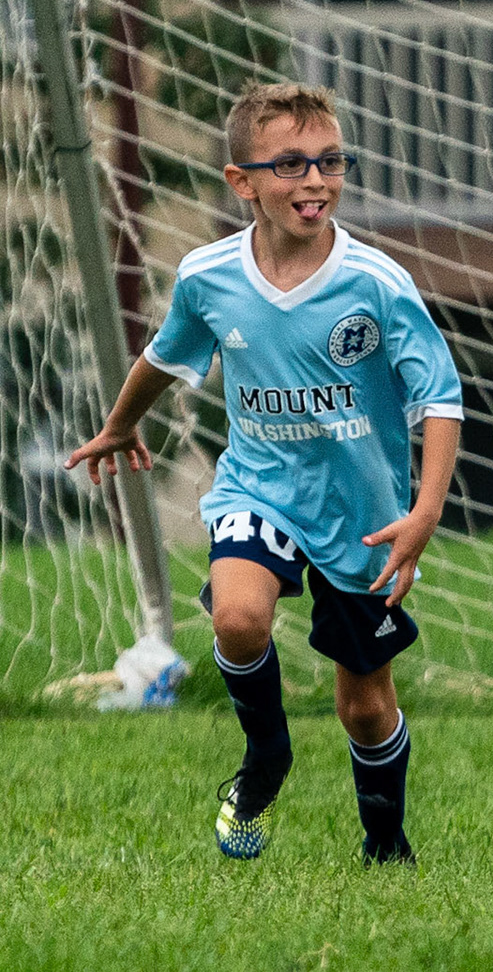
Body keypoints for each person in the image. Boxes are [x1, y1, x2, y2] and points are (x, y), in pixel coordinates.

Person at [68, 83, 464, 864]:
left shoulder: (376, 283)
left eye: (329, 163)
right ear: (241, 181)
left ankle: (385, 842)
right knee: (238, 618)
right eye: (290, 165)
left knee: (364, 704)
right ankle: (266, 758)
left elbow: (440, 398)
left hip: (366, 510)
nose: (315, 181)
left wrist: (423, 513)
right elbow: (164, 358)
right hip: (259, 487)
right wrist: (120, 425)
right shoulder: (209, 276)